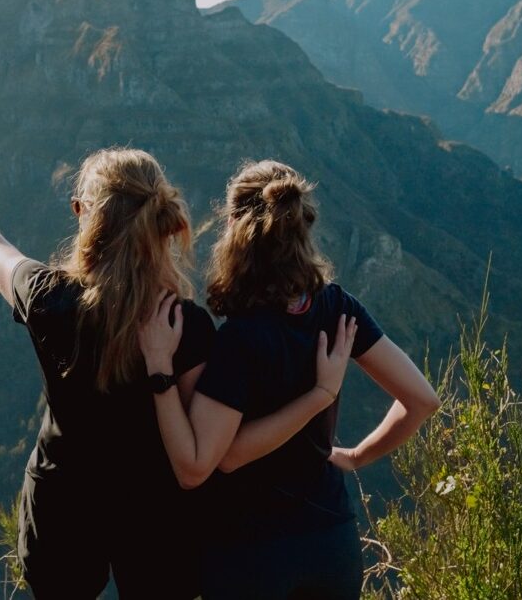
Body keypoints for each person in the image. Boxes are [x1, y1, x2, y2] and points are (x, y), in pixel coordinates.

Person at [0, 149, 354, 599]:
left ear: (85, 216)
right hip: (159, 518)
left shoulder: (48, 298)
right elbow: (205, 444)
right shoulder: (186, 325)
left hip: (63, 507)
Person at [138, 159, 441, 600]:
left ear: (233, 229)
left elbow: (227, 457)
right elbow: (422, 400)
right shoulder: (338, 309)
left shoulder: (241, 338)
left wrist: (321, 395)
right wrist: (357, 456)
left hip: (250, 550)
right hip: (331, 543)